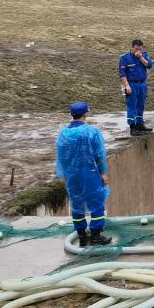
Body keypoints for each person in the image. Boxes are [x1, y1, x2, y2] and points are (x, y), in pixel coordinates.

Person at [55, 101, 111, 247]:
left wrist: (65, 174)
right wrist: (103, 173)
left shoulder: (63, 133)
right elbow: (100, 155)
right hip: (89, 173)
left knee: (76, 204)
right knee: (97, 203)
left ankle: (81, 236)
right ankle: (96, 235)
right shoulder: (91, 132)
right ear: (85, 114)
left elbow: (62, 156)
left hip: (72, 175)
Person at [118, 38, 153, 135]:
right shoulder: (125, 57)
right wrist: (126, 85)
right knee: (132, 105)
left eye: (140, 49)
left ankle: (140, 124)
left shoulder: (144, 54)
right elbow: (122, 73)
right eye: (136, 49)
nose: (138, 51)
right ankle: (132, 126)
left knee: (141, 104)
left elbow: (149, 65)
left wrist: (141, 57)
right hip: (131, 84)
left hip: (142, 84)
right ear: (132, 47)